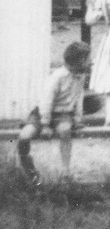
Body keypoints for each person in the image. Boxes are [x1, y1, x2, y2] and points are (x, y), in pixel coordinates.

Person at [17, 42, 90, 183]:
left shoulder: (80, 76)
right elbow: (46, 101)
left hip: (64, 115)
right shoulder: (57, 77)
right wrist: (45, 125)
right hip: (43, 114)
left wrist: (77, 119)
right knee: (24, 136)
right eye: (88, 59)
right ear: (80, 61)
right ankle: (29, 170)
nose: (90, 62)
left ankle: (65, 172)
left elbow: (78, 98)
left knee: (65, 130)